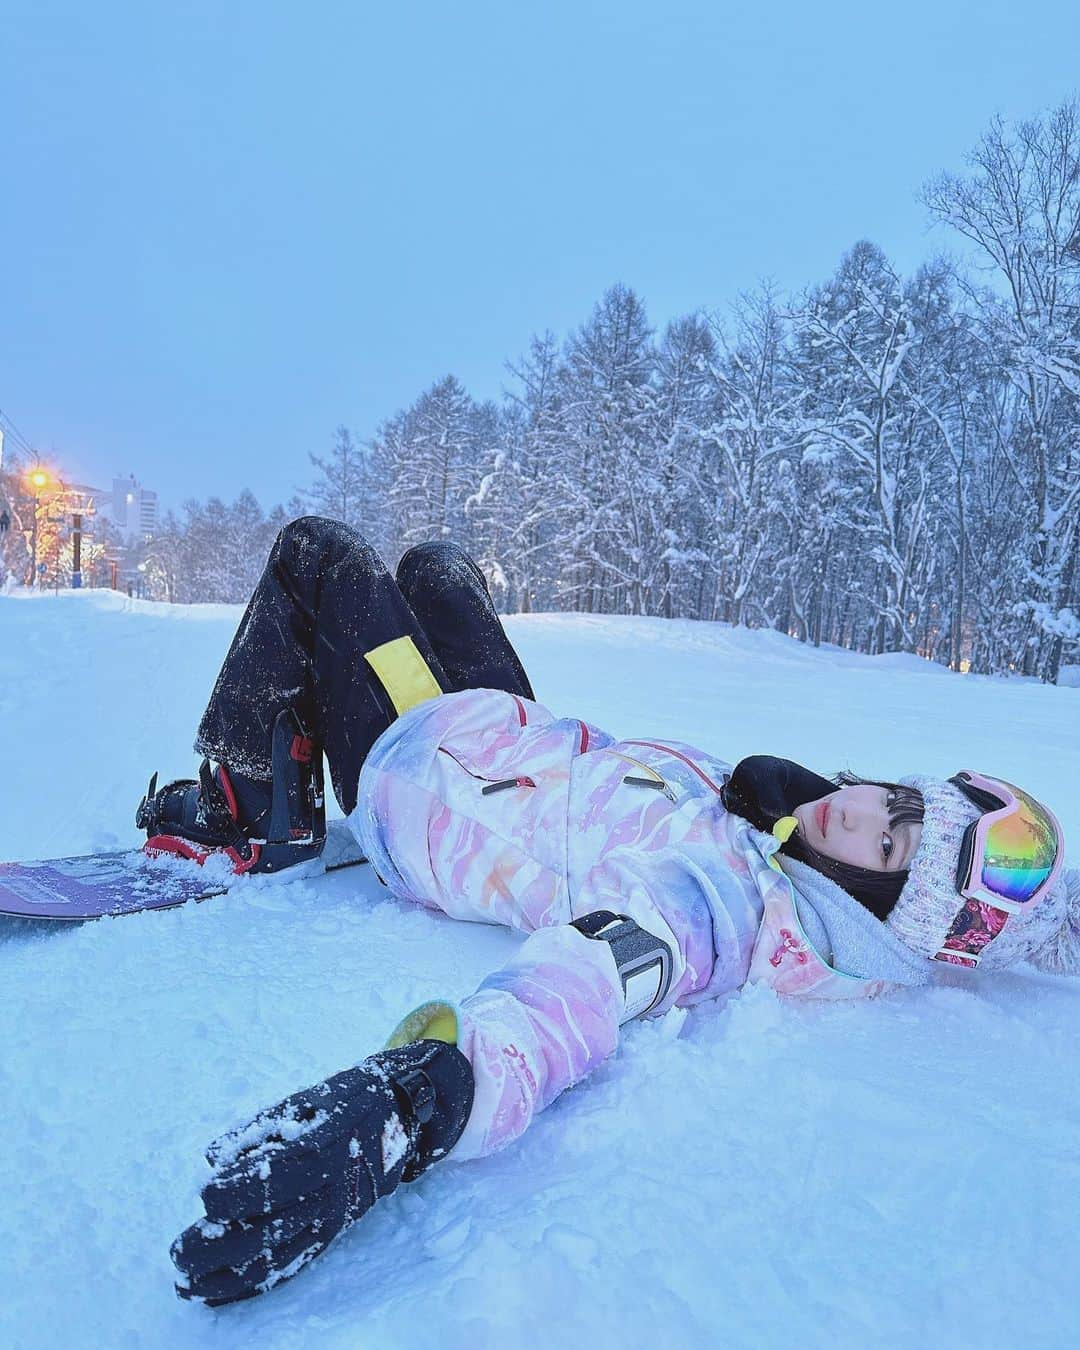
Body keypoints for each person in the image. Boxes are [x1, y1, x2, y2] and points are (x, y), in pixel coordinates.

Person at [154, 516, 1079, 1306]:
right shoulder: (792, 834)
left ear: (877, 912)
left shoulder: (717, 906)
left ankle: (251, 816)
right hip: (514, 733)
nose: (864, 808)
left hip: (424, 781)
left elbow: (585, 983)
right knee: (438, 568)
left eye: (886, 846)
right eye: (899, 803)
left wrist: (423, 1098)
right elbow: (1017, 903)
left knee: (322, 554)